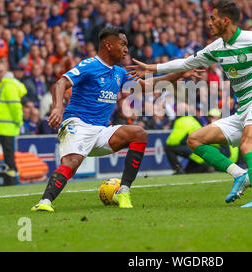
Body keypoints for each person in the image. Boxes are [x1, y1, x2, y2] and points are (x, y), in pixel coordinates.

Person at [127, 0, 252, 208]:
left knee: (247, 145)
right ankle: (239, 175)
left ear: (225, 20)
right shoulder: (217, 48)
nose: (209, 23)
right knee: (195, 140)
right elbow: (185, 64)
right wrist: (151, 68)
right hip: (243, 111)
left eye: (213, 18)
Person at [31, 26, 199, 212]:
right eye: (123, 44)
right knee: (72, 163)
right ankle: (45, 202)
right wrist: (57, 107)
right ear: (108, 45)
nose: (127, 49)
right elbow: (62, 82)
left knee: (139, 134)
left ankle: (123, 191)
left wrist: (179, 74)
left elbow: (149, 86)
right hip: (77, 124)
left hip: (101, 131)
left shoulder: (119, 72)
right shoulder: (90, 65)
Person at [0, 62, 27, 180]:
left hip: (6, 126)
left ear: (6, 72)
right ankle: (11, 173)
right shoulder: (4, 84)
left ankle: (13, 174)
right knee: (7, 152)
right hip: (2, 126)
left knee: (8, 153)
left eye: (0, 72)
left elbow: (15, 106)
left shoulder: (8, 85)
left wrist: (19, 122)